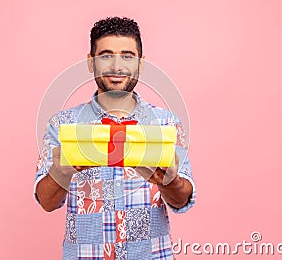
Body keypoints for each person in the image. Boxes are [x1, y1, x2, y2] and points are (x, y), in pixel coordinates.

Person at [34, 16, 196, 260]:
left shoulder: (166, 123)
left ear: (140, 63)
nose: (117, 66)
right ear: (91, 63)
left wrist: (168, 181)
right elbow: (46, 201)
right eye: (106, 55)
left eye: (128, 56)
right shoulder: (62, 124)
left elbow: (182, 200)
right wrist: (62, 171)